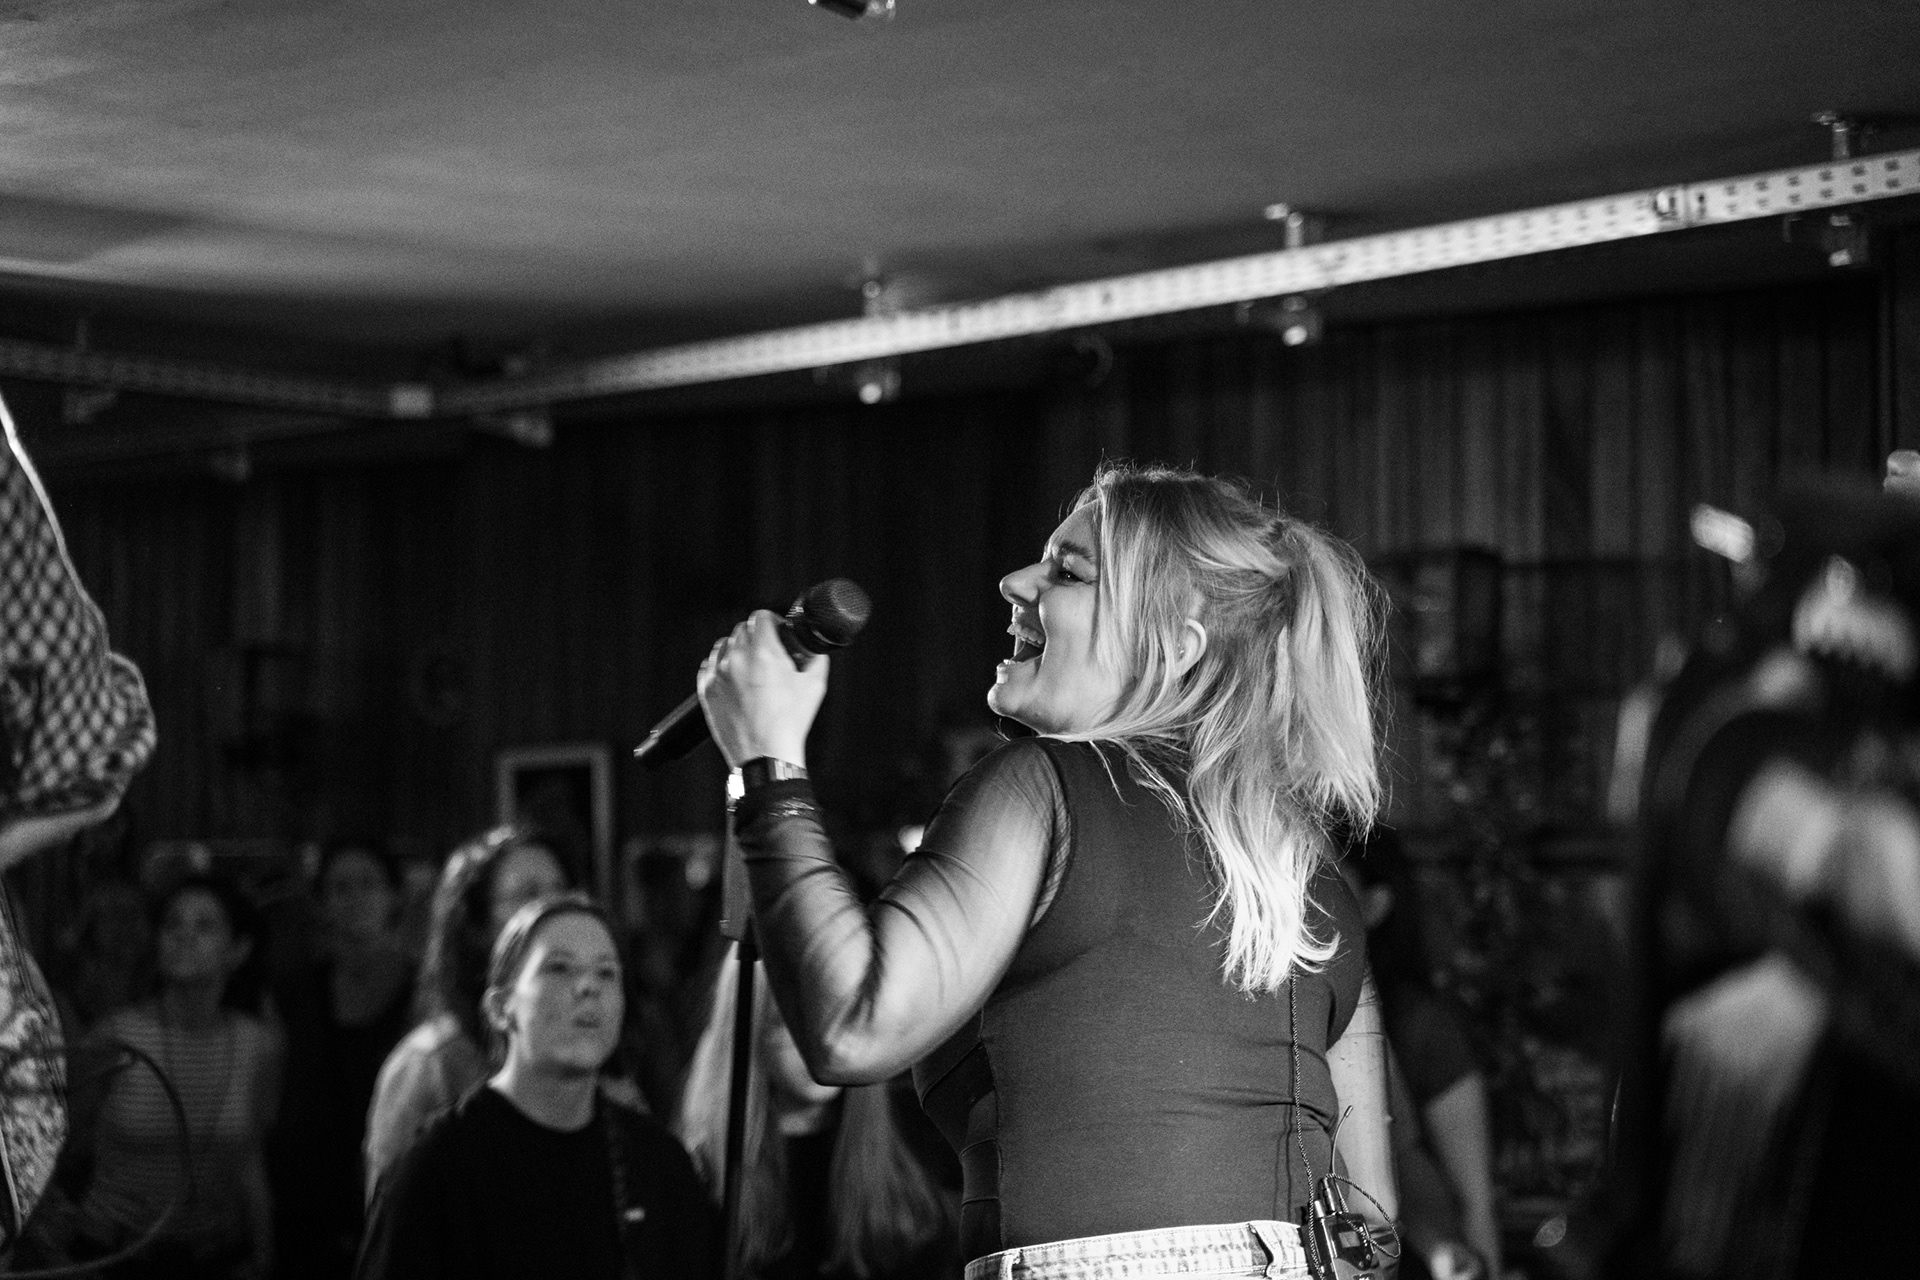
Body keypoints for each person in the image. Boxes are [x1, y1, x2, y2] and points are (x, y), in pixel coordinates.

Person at [698, 462, 1397, 1278]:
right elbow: (1370, 1225)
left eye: (1069, 573)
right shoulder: (1313, 877)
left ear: (1175, 646)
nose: (1014, 583)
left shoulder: (1044, 789)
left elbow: (853, 1026)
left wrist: (766, 762)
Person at [355, 894, 718, 1280]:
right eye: (559, 968)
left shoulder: (657, 1165)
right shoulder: (436, 1172)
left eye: (606, 973)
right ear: (500, 1008)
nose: (588, 987)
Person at [675, 943, 960, 1280]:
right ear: (750, 1033)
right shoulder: (701, 1176)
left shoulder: (915, 1145)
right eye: (791, 1024)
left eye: (839, 1017)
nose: (823, 1041)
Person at [72, 873, 283, 1279]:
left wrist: (264, 1254)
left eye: (204, 926)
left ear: (238, 950)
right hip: (113, 1253)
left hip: (212, 1254)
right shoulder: (117, 1035)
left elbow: (250, 1158)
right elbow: (63, 1139)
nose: (184, 935)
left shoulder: (258, 1044)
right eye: (173, 923)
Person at [361, 823, 567, 1198]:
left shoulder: (584, 1042)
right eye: (529, 894)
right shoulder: (430, 1065)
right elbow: (395, 1215)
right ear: (477, 925)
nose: (554, 909)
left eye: (560, 890)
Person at [1343, 829, 1500, 1280]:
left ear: (1375, 904)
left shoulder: (1415, 1023)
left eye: (1330, 886)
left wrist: (1467, 1257)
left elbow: (1473, 1197)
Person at [270, 842, 416, 1280]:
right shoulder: (294, 992)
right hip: (309, 1203)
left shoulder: (422, 990)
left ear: (394, 896)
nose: (356, 899)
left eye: (369, 885)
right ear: (321, 903)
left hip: (395, 1195)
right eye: (341, 888)